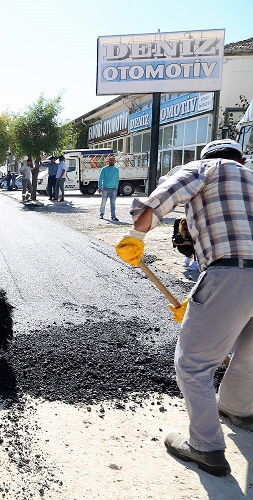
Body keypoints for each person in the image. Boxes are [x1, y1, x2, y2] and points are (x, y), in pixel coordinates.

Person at [115, 138, 253, 477]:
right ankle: (238, 409)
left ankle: (206, 448)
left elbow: (157, 203)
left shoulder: (204, 168)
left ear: (206, 156)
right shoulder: (251, 176)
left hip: (230, 276)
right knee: (249, 354)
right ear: (242, 157)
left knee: (193, 365)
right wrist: (201, 297)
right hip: (237, 277)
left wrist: (136, 235)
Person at [98, 154, 119, 221]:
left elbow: (117, 179)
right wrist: (99, 187)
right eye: (110, 160)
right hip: (105, 188)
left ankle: (113, 216)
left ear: (115, 161)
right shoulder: (104, 169)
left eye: (113, 160)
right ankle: (101, 214)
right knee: (103, 202)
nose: (112, 161)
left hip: (114, 189)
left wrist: (116, 187)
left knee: (113, 203)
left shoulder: (117, 170)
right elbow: (100, 179)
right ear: (108, 161)